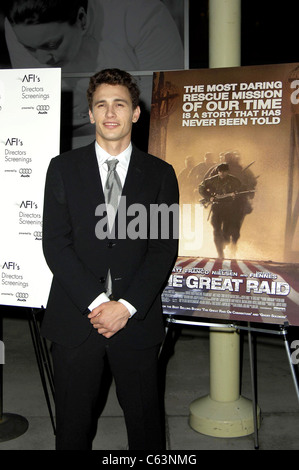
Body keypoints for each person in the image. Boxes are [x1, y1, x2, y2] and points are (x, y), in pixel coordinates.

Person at [41, 68, 179, 450]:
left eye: (119, 103)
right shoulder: (63, 169)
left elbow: (162, 249)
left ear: (136, 112)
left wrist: (126, 307)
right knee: (71, 428)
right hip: (75, 321)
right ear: (90, 114)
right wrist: (101, 304)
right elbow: (55, 244)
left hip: (137, 323)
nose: (110, 112)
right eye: (101, 104)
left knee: (145, 428)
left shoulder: (160, 175)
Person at [3, 0, 184, 126]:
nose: (41, 60)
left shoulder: (143, 15)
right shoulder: (16, 28)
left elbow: (164, 107)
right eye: (29, 48)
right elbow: (32, 107)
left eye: (52, 44)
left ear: (81, 20)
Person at [198, 163, 245, 258]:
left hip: (228, 208)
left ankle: (224, 242)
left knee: (226, 232)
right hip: (216, 207)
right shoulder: (212, 180)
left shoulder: (234, 180)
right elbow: (201, 187)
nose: (222, 173)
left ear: (227, 172)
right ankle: (220, 253)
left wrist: (235, 194)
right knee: (216, 229)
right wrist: (209, 197)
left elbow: (242, 188)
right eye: (220, 171)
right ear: (218, 172)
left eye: (224, 171)